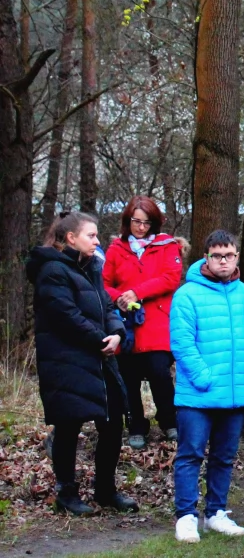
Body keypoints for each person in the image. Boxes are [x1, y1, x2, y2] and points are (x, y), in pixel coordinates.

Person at [28, 212, 139, 516]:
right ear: (70, 238)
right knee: (68, 427)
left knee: (113, 423)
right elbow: (66, 316)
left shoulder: (91, 267)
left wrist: (117, 333)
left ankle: (106, 490)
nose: (96, 241)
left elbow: (106, 306)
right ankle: (66, 494)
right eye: (91, 235)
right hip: (66, 362)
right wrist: (101, 340)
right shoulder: (52, 271)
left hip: (100, 359)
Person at [170, 230, 244, 542]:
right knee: (191, 454)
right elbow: (182, 344)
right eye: (217, 255)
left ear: (236, 257)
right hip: (197, 395)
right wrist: (204, 378)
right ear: (206, 257)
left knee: (224, 456)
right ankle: (186, 516)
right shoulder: (187, 295)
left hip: (235, 393)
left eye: (229, 255)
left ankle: (216, 513)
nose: (223, 261)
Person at [103, 196, 183, 449]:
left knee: (160, 372)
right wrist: (119, 298)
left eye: (147, 222)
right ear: (128, 221)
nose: (141, 227)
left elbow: (171, 278)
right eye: (136, 221)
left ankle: (169, 421)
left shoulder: (167, 245)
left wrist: (137, 292)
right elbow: (103, 284)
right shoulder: (116, 248)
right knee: (128, 376)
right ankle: (136, 425)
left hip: (157, 320)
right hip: (125, 322)